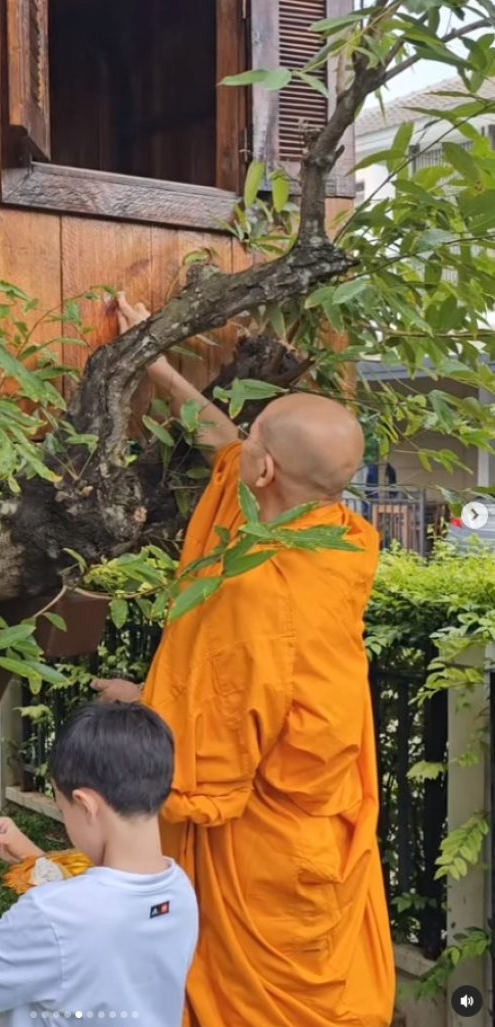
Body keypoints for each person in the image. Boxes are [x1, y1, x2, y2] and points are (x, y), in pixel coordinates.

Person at [92, 295, 395, 1027]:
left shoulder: (258, 594)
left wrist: (145, 709)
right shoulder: (338, 535)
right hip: (322, 830)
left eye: (256, 433)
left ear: (267, 470)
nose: (243, 436)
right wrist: (160, 368)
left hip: (262, 848)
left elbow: (209, 765)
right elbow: (224, 443)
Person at [0, 702, 199, 1026]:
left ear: (86, 805)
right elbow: (98, 918)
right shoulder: (180, 892)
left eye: (63, 811)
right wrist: (33, 857)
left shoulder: (51, 916)